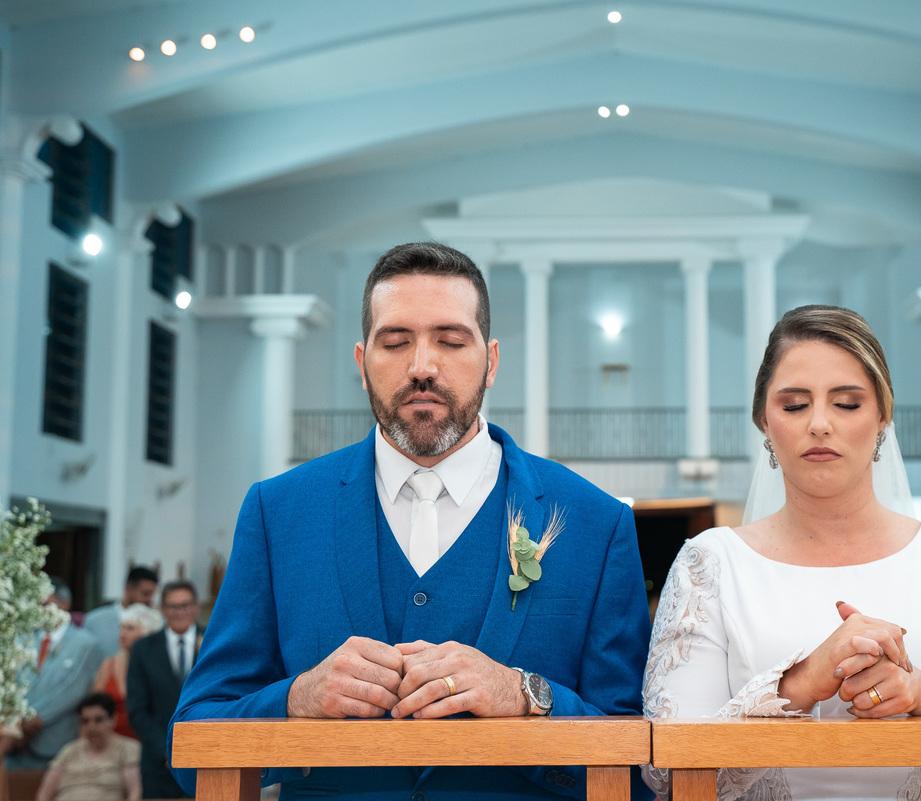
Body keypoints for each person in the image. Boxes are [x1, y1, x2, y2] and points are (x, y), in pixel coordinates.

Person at [169, 242, 651, 801]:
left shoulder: (595, 522)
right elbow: (190, 744)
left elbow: (642, 767)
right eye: (395, 342)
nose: (422, 367)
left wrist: (530, 695)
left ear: (491, 361)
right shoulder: (278, 512)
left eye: (451, 341)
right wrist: (294, 701)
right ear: (361, 362)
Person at [642, 305, 921, 801]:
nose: (819, 424)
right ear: (764, 422)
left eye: (847, 403)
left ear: (882, 416)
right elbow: (665, 774)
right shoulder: (708, 564)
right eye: (794, 405)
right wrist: (801, 683)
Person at [2, 579, 103, 770]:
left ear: (63, 604)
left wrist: (36, 718)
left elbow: (75, 689)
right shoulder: (21, 639)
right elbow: (10, 682)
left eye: (44, 603)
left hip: (57, 740)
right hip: (16, 741)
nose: (38, 609)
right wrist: (18, 721)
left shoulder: (86, 643)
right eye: (35, 604)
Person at [127, 580, 202, 798]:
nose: (180, 612)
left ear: (196, 607)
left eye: (186, 605)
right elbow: (137, 709)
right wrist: (167, 749)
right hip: (158, 764)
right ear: (162, 609)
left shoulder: (213, 643)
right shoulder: (143, 649)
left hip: (205, 758)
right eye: (173, 606)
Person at [34, 693, 140, 801]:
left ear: (113, 719)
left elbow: (135, 793)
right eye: (85, 721)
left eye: (98, 720)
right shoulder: (69, 751)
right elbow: (44, 795)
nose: (91, 727)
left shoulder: (128, 748)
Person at [91, 603, 163, 739]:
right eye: (121, 627)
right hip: (110, 744)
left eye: (130, 628)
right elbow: (93, 707)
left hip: (148, 742)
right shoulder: (108, 664)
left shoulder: (158, 667)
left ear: (147, 634)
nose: (122, 634)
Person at [84, 566, 159, 659]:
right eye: (145, 593)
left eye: (152, 595)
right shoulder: (95, 620)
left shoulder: (157, 622)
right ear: (128, 589)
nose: (149, 600)